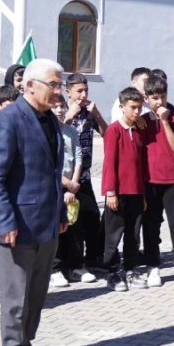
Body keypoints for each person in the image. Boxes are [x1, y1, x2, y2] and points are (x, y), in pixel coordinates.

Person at [0, 59, 68, 346]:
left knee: (35, 294)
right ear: (29, 85)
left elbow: (52, 174)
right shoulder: (8, 121)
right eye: (53, 85)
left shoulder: (49, 121)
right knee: (16, 296)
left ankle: (26, 344)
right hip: (16, 226)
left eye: (60, 85)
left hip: (45, 225)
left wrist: (59, 213)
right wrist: (5, 222)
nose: (58, 92)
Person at [102, 87, 155, 292]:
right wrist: (110, 191)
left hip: (136, 192)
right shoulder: (114, 130)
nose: (136, 112)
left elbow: (142, 164)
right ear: (122, 107)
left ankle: (131, 268)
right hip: (118, 192)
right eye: (133, 107)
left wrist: (142, 193)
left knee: (133, 234)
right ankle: (113, 271)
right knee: (114, 233)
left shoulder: (140, 130)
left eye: (139, 108)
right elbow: (109, 163)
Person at [142, 78, 174, 289]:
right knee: (151, 226)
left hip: (172, 179)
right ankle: (153, 267)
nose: (159, 101)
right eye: (155, 98)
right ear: (147, 99)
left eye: (163, 97)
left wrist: (165, 121)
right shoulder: (141, 120)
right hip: (150, 180)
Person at [62, 74, 105, 282]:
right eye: (79, 91)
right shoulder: (62, 110)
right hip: (63, 177)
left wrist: (96, 114)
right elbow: (55, 132)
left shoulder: (88, 114)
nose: (83, 95)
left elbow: (107, 133)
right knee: (71, 222)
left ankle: (91, 260)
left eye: (86, 90)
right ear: (67, 91)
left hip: (84, 176)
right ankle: (70, 266)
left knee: (91, 217)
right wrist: (69, 115)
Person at [48, 95, 83, 289]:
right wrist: (67, 184)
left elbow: (78, 157)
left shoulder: (71, 131)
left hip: (72, 187)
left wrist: (74, 184)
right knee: (56, 230)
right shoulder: (48, 132)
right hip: (56, 187)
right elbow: (50, 164)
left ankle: (75, 266)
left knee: (74, 228)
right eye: (55, 107)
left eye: (62, 106)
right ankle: (55, 270)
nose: (60, 110)